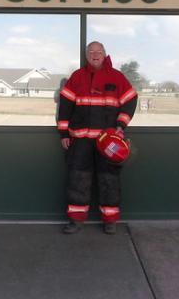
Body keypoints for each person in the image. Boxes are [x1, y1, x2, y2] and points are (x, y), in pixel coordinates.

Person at [57, 41, 137, 235]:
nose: (95, 54)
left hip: (108, 143)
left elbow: (131, 100)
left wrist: (120, 126)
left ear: (104, 54)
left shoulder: (116, 77)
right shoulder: (77, 76)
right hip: (81, 141)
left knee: (109, 180)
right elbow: (66, 106)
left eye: (98, 51)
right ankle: (76, 221)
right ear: (86, 55)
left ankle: (110, 221)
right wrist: (63, 133)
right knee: (78, 180)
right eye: (91, 51)